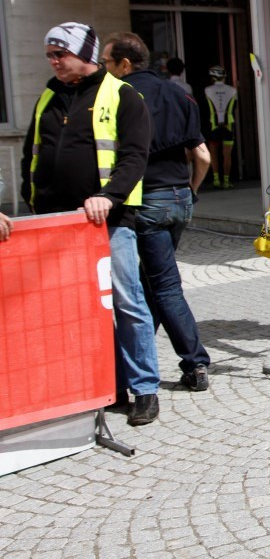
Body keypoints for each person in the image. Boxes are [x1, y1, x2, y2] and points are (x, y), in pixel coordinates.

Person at [22, 22, 160, 425]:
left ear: (84, 53)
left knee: (127, 303)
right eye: (50, 54)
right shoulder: (48, 96)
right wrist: (33, 203)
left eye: (59, 54)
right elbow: (32, 154)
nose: (53, 61)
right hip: (57, 224)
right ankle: (105, 387)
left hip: (108, 222)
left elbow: (135, 157)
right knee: (78, 310)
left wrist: (109, 195)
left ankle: (145, 388)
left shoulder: (122, 95)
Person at [102, 32, 213, 393]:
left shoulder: (121, 97)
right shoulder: (180, 92)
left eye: (107, 63)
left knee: (163, 287)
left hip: (146, 199)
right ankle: (129, 361)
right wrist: (191, 191)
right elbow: (203, 156)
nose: (105, 70)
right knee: (153, 283)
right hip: (180, 197)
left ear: (125, 64)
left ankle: (195, 363)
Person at [204, 64, 237, 189]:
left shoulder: (207, 90)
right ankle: (227, 181)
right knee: (227, 154)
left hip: (213, 125)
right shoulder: (233, 90)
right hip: (228, 125)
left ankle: (216, 179)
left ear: (212, 77)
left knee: (214, 153)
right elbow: (235, 107)